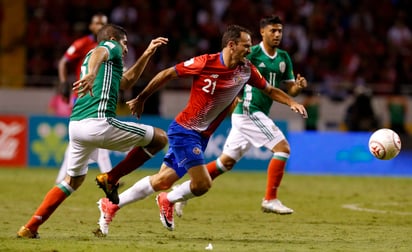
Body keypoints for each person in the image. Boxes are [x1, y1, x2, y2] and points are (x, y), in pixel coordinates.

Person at [94, 24, 307, 236]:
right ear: (231, 45)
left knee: (162, 180)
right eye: (246, 46)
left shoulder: (246, 70)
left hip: (202, 135)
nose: (249, 50)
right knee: (203, 184)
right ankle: (168, 199)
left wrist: (291, 102)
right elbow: (168, 73)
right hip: (185, 131)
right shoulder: (205, 62)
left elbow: (269, 90)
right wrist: (142, 98)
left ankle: (111, 205)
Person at [17, 24, 169, 238]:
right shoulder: (109, 46)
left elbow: (126, 82)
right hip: (98, 123)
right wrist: (90, 74)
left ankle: (30, 227)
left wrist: (146, 54)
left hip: (76, 127)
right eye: (125, 43)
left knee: (72, 181)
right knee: (160, 138)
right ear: (116, 39)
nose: (125, 49)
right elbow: (102, 50)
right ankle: (111, 178)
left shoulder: (109, 64)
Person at [174, 15, 308, 216]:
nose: (277, 34)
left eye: (280, 30)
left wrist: (297, 88)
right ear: (262, 32)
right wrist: (231, 96)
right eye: (273, 30)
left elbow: (289, 89)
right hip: (248, 110)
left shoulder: (283, 58)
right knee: (282, 148)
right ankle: (270, 199)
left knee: (225, 163)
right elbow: (231, 72)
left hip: (255, 113)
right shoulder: (250, 52)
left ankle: (180, 192)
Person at [55, 13, 112, 183]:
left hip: (101, 95)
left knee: (79, 139)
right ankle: (110, 177)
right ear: (91, 26)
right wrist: (64, 83)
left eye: (104, 23)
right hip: (84, 95)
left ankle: (60, 180)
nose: (100, 26)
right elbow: (63, 62)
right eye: (97, 23)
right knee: (99, 132)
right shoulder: (83, 43)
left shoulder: (109, 46)